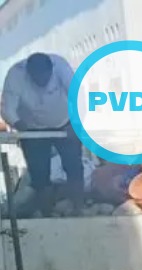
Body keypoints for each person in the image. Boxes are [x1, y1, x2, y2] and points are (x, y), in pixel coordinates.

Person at [1, 53, 84, 215]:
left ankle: (79, 208)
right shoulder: (15, 76)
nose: (42, 82)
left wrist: (76, 124)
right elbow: (7, 108)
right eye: (37, 79)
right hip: (31, 128)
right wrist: (19, 124)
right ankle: (47, 212)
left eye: (45, 78)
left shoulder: (61, 67)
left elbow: (78, 96)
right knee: (39, 172)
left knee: (74, 166)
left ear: (51, 71)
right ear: (29, 74)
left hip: (64, 123)